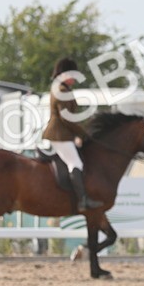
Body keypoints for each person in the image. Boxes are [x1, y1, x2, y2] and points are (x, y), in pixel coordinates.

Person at [42, 57, 102, 212]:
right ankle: (82, 200)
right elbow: (67, 118)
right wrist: (82, 134)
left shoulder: (62, 88)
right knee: (75, 163)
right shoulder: (61, 90)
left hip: (62, 131)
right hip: (59, 133)